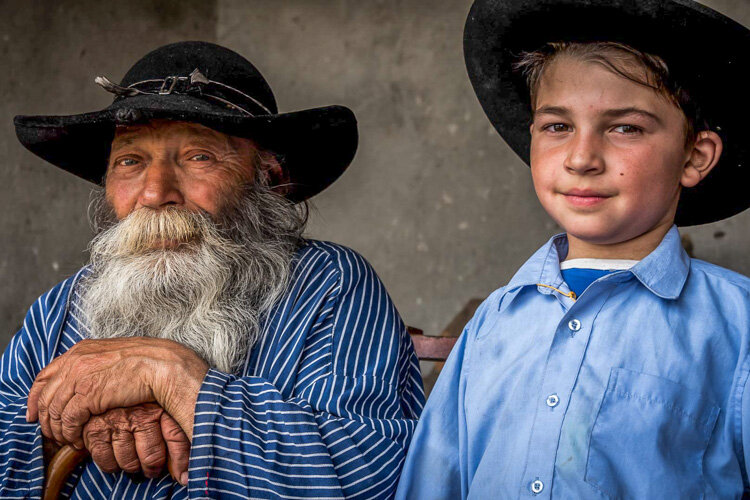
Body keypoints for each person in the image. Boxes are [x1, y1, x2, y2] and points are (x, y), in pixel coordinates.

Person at [0, 41, 424, 498]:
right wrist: (68, 424)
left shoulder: (331, 282)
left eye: (199, 156)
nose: (155, 193)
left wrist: (171, 377)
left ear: (269, 178)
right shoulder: (61, 309)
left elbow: (364, 475)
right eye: (130, 161)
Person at [396, 0, 750, 497]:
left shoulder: (738, 327)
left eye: (625, 127)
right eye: (557, 126)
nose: (581, 158)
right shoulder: (493, 323)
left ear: (695, 157)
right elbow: (433, 482)